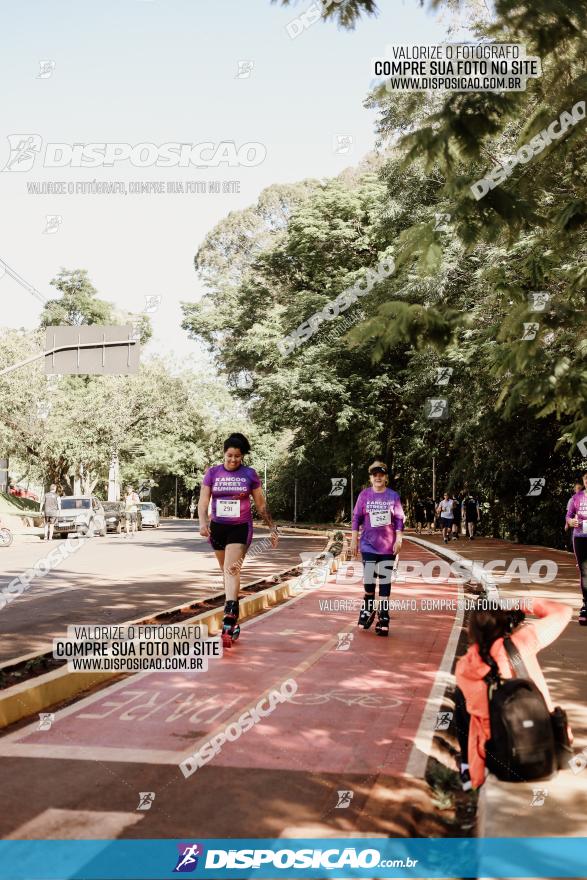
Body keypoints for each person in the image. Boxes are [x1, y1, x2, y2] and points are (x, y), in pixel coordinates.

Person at [454, 597, 571, 790]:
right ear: (505, 623)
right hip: (545, 747)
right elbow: (563, 611)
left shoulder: (465, 666)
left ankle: (467, 770)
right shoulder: (524, 641)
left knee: (462, 699)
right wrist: (524, 603)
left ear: (472, 630)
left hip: (503, 758)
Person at [198, 432, 278, 647]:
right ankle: (233, 617)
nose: (233, 460)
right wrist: (203, 522)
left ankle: (230, 614)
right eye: (230, 456)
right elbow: (203, 501)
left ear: (242, 457)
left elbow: (261, 504)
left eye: (237, 457)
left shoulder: (249, 474)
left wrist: (272, 527)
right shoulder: (213, 473)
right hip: (218, 528)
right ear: (224, 454)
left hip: (240, 527)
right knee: (226, 571)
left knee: (232, 569)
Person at [350, 459, 404, 637]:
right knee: (369, 581)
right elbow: (356, 518)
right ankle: (367, 609)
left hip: (387, 546)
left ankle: (383, 615)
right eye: (375, 475)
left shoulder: (393, 496)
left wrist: (399, 539)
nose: (378, 477)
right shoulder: (364, 495)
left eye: (381, 475)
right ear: (371, 478)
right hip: (368, 545)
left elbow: (398, 519)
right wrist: (353, 540)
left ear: (386, 477)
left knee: (385, 582)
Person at [565, 470, 587, 624]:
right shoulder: (576, 498)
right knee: (585, 571)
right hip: (580, 537)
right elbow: (568, 515)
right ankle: (586, 605)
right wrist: (570, 522)